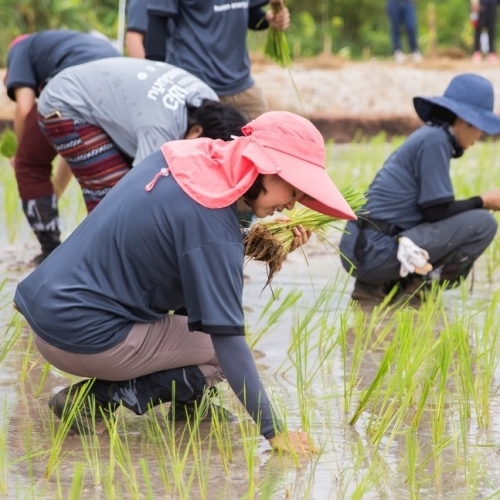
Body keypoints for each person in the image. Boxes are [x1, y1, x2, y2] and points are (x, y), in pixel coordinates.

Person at [13, 111, 356, 453]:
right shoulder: (211, 226)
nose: (293, 203)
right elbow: (228, 341)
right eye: (294, 188)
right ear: (264, 166)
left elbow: (187, 243)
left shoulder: (187, 159)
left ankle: (189, 405)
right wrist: (274, 432)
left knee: (202, 314)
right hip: (85, 338)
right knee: (222, 353)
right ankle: (96, 401)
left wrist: (258, 242)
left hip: (52, 317)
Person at [32, 57, 246, 263]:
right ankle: (95, 263)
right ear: (196, 131)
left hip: (95, 93)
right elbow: (141, 191)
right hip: (65, 103)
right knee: (112, 196)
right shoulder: (159, 128)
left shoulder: (208, 100)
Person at [339, 73, 500, 303]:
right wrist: (484, 201)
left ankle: (376, 287)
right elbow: (436, 212)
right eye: (480, 127)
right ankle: (415, 290)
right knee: (483, 223)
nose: (480, 135)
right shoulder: (436, 141)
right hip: (376, 252)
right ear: (466, 120)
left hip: (366, 250)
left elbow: (432, 210)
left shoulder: (430, 137)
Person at [4, 29, 121, 265]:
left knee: (29, 164)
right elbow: (70, 146)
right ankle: (116, 249)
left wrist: (21, 153)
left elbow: (25, 109)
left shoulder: (20, 49)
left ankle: (50, 251)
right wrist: (55, 192)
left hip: (76, 84)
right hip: (119, 84)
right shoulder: (68, 42)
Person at [144, 0, 290, 122]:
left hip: (242, 85)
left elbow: (247, 11)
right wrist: (156, 83)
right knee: (203, 151)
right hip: (196, 88)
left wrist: (269, 19)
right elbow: (157, 24)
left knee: (263, 143)